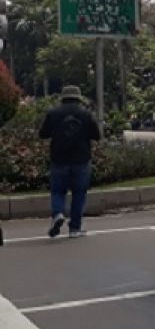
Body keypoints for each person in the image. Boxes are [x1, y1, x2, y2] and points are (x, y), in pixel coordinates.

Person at [39, 85, 101, 239]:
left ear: (63, 98)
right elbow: (97, 135)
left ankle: (58, 214)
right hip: (81, 159)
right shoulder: (86, 114)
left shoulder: (53, 113)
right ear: (78, 98)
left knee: (58, 191)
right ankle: (75, 228)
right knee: (79, 193)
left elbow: (43, 134)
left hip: (59, 159)